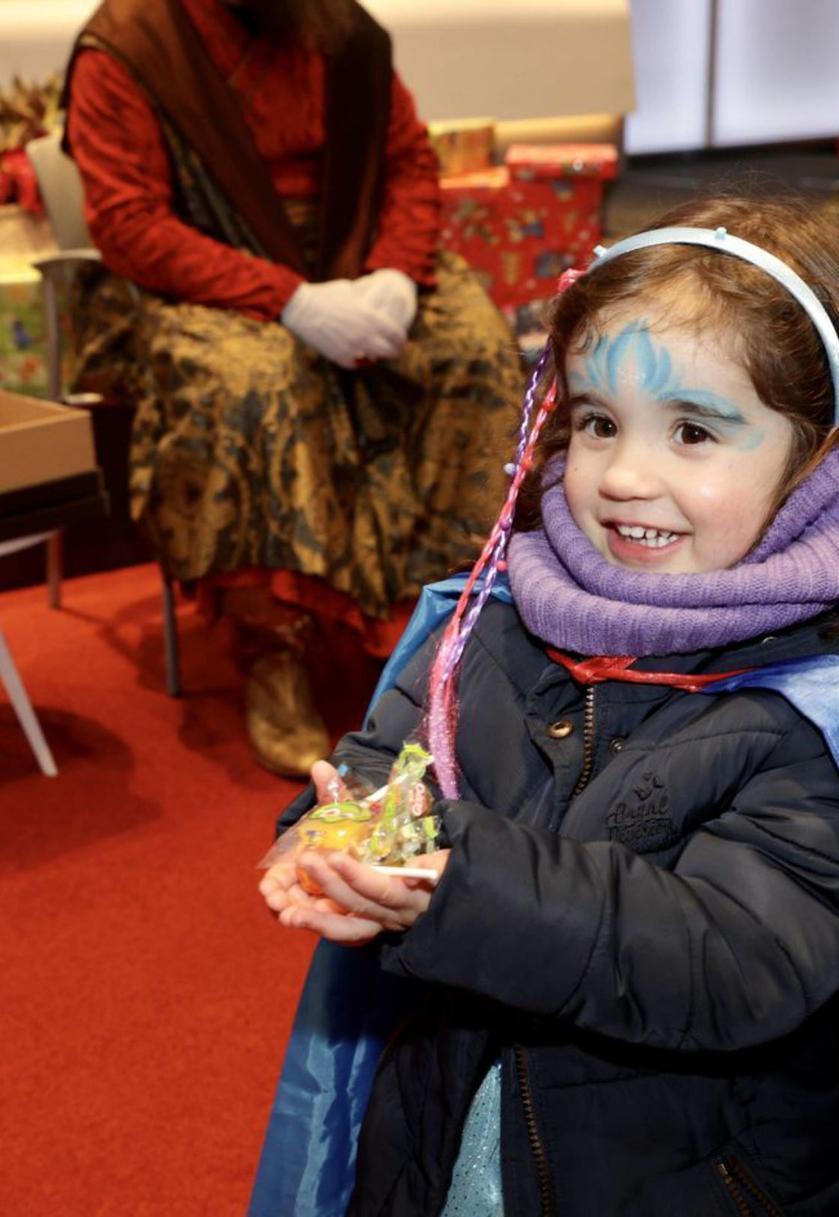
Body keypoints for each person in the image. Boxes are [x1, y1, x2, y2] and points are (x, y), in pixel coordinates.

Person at [253, 195, 839, 1217]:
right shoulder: (494, 623)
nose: (625, 474)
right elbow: (385, 760)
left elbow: (728, 954)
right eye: (597, 421)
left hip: (693, 1176)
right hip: (452, 1136)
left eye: (692, 429)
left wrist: (450, 877)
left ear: (819, 457)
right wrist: (329, 836)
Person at [61, 0, 524, 776]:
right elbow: (131, 224)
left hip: (353, 249)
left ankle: (456, 625)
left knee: (474, 350)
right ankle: (272, 649)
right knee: (256, 381)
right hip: (204, 269)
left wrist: (396, 276)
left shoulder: (339, 25)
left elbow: (409, 162)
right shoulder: (128, 45)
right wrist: (289, 299)